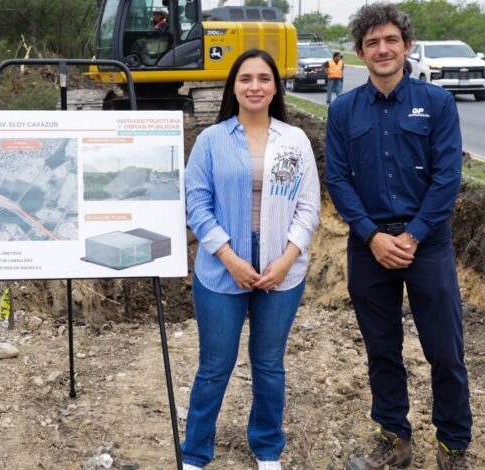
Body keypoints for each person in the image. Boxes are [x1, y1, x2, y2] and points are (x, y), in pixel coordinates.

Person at [325, 4, 471, 470]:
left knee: (445, 351)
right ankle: (394, 441)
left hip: (426, 244)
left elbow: (448, 177)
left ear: (406, 46)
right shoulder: (344, 109)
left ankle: (453, 446)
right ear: (360, 53)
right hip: (369, 247)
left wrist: (412, 235)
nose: (382, 49)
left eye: (390, 40)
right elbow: (338, 179)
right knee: (381, 349)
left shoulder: (438, 103)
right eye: (372, 43)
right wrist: (371, 236)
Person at [181, 48, 321, 470]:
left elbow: (308, 206)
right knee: (214, 366)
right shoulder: (211, 140)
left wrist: (285, 259)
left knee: (269, 365)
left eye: (263, 78)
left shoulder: (294, 140)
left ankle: (266, 447)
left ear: (275, 86)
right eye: (246, 79)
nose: (254, 86)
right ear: (234, 87)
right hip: (223, 271)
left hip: (282, 272)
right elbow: (197, 204)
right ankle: (194, 453)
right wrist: (229, 256)